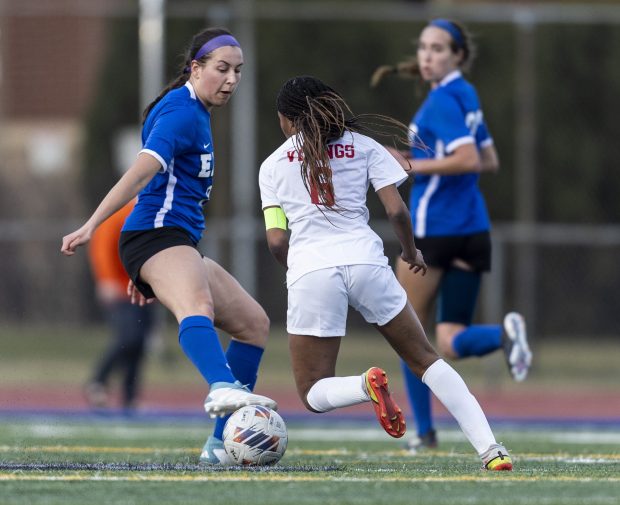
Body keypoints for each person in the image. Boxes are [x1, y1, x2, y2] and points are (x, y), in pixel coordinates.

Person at [259, 75, 513, 470]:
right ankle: (491, 450)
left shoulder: (272, 165)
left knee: (312, 391)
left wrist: (297, 271)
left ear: (287, 120)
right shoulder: (363, 146)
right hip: (367, 262)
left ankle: (364, 385)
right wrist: (411, 252)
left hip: (311, 271)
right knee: (427, 360)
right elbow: (396, 210)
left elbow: (277, 241)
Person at [61, 27, 276, 465]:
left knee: (253, 323)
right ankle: (220, 384)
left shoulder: (195, 112)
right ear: (194, 68)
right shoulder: (181, 112)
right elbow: (141, 173)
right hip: (154, 238)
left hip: (171, 244)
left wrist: (154, 274)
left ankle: (219, 448)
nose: (231, 79)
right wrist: (92, 225)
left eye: (237, 71)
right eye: (221, 69)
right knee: (198, 305)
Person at [370, 18, 532, 452]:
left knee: (407, 332)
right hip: (473, 228)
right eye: (423, 47)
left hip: (434, 230)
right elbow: (489, 158)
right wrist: (423, 158)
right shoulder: (466, 94)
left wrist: (411, 166)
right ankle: (502, 335)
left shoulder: (443, 100)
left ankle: (423, 432)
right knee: (449, 338)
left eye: (439, 48)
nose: (427, 55)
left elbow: (467, 159)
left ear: (458, 56)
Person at [84, 199, 157, 411]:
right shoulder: (126, 213)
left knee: (140, 343)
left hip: (144, 288)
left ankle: (130, 396)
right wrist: (105, 279)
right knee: (128, 338)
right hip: (120, 289)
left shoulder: (159, 215)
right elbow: (103, 243)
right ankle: (97, 381)